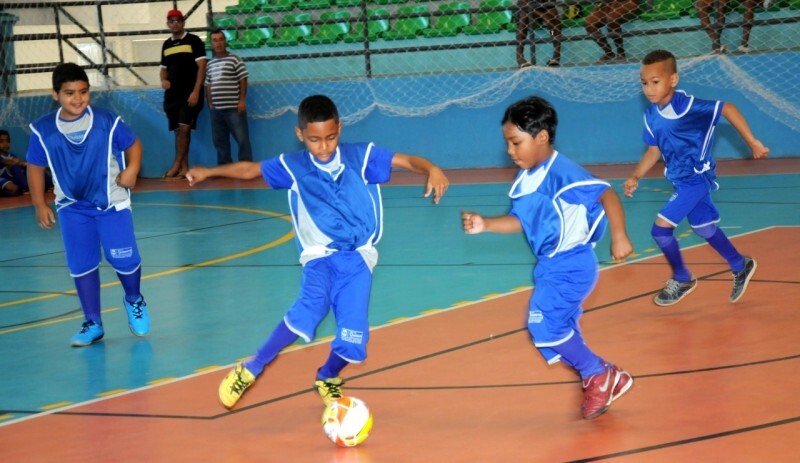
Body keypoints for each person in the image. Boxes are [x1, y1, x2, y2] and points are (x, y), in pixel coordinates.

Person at [185, 95, 450, 409]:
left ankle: (327, 376)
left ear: (339, 128)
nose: (324, 147)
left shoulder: (360, 156)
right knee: (309, 310)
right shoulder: (294, 166)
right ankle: (252, 367)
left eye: (330, 137)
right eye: (314, 140)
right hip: (319, 257)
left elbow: (406, 161)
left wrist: (431, 168)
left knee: (354, 338)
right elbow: (249, 170)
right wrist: (210, 172)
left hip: (359, 259)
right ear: (300, 135)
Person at [461, 96, 634, 420]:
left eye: (516, 143)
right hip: (550, 267)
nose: (510, 151)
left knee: (544, 326)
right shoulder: (526, 179)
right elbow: (521, 221)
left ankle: (598, 373)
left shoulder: (562, 172)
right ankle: (604, 376)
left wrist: (620, 234)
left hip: (572, 263)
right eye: (508, 144)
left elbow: (606, 193)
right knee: (559, 328)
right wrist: (486, 224)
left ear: (541, 137)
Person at [624, 49, 769, 306]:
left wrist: (753, 141)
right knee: (704, 227)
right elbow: (653, 150)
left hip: (695, 179)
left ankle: (683, 278)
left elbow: (728, 108)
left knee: (660, 231)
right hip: (680, 180)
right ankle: (740, 264)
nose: (648, 88)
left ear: (673, 80)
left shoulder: (687, 107)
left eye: (655, 82)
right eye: (644, 83)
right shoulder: (651, 115)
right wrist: (636, 175)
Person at [26, 63, 151, 346]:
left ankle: (134, 299)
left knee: (125, 260)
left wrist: (132, 169)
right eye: (69, 93)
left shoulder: (107, 121)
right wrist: (39, 203)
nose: (78, 98)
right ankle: (92, 321)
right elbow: (34, 166)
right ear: (55, 94)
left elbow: (134, 144)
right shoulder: (44, 130)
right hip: (72, 208)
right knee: (81, 264)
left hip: (111, 205)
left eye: (83, 92)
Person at [160, 9, 207, 179]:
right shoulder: (166, 44)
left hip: (190, 94)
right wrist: (163, 80)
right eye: (171, 21)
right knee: (179, 132)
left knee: (185, 129)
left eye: (178, 20)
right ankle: (185, 169)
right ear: (168, 24)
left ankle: (175, 166)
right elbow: (163, 70)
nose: (175, 24)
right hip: (172, 96)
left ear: (183, 22)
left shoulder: (193, 40)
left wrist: (196, 91)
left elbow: (202, 66)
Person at [205, 29, 253, 165]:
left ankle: (246, 166)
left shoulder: (235, 59)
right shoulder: (210, 64)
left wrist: (242, 100)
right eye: (215, 40)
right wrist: (210, 103)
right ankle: (225, 167)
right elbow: (208, 84)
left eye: (221, 39)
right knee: (220, 140)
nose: (218, 43)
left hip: (234, 108)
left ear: (225, 42)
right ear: (211, 44)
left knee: (242, 138)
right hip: (216, 110)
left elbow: (243, 79)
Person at [1, 129, 53, 195]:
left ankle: (49, 185)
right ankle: (25, 188)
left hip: (15, 179)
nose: (5, 144)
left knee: (33, 168)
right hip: (7, 180)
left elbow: (20, 162)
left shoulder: (11, 155)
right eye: (1, 142)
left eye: (7, 141)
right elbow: (7, 162)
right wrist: (22, 163)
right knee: (16, 167)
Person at [515, 0, 562, 68]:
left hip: (543, 7)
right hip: (525, 9)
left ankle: (556, 56)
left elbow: (551, 3)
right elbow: (523, 4)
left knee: (553, 14)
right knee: (523, 17)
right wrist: (543, 15)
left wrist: (545, 15)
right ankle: (520, 58)